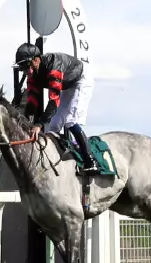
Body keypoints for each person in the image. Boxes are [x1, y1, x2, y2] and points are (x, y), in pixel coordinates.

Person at [13, 43, 98, 175]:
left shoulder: (53, 66)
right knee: (53, 126)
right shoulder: (32, 77)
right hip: (67, 85)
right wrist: (26, 124)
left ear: (36, 60)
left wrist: (39, 125)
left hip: (81, 80)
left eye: (26, 66)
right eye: (22, 68)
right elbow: (31, 104)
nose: (25, 71)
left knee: (70, 120)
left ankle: (90, 162)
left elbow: (53, 101)